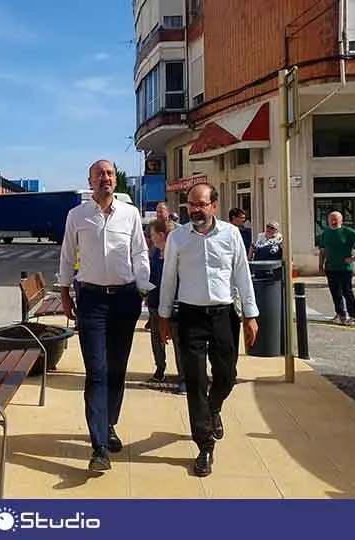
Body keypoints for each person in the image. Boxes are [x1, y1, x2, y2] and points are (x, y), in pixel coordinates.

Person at [158, 183, 259, 477]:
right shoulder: (177, 238)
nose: (195, 210)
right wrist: (164, 317)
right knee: (195, 381)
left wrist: (251, 315)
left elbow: (242, 273)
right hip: (189, 317)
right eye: (191, 204)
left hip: (224, 315)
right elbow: (168, 280)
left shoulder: (231, 234)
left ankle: (213, 409)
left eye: (201, 204)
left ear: (214, 205)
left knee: (227, 377)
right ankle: (204, 446)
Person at [59, 159, 151, 472]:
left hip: (125, 299)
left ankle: (109, 424)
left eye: (110, 174)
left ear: (115, 180)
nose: (105, 179)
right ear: (90, 181)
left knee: (116, 369)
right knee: (96, 371)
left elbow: (140, 252)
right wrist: (64, 291)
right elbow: (67, 255)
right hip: (92, 301)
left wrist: (142, 285)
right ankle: (98, 446)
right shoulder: (78, 215)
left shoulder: (131, 214)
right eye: (99, 174)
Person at [146, 219, 185, 393]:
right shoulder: (154, 253)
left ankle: (183, 376)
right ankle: (160, 368)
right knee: (157, 340)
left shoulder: (176, 253)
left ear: (162, 235)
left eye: (153, 235)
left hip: (175, 304)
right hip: (155, 303)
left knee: (178, 341)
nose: (151, 239)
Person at [318, 211, 355, 325]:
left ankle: (354, 316)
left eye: (335, 219)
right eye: (331, 219)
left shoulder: (347, 231)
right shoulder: (326, 233)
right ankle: (340, 314)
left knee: (347, 292)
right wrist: (320, 265)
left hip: (344, 268)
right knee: (335, 292)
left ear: (341, 220)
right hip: (330, 268)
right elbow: (322, 251)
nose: (333, 221)